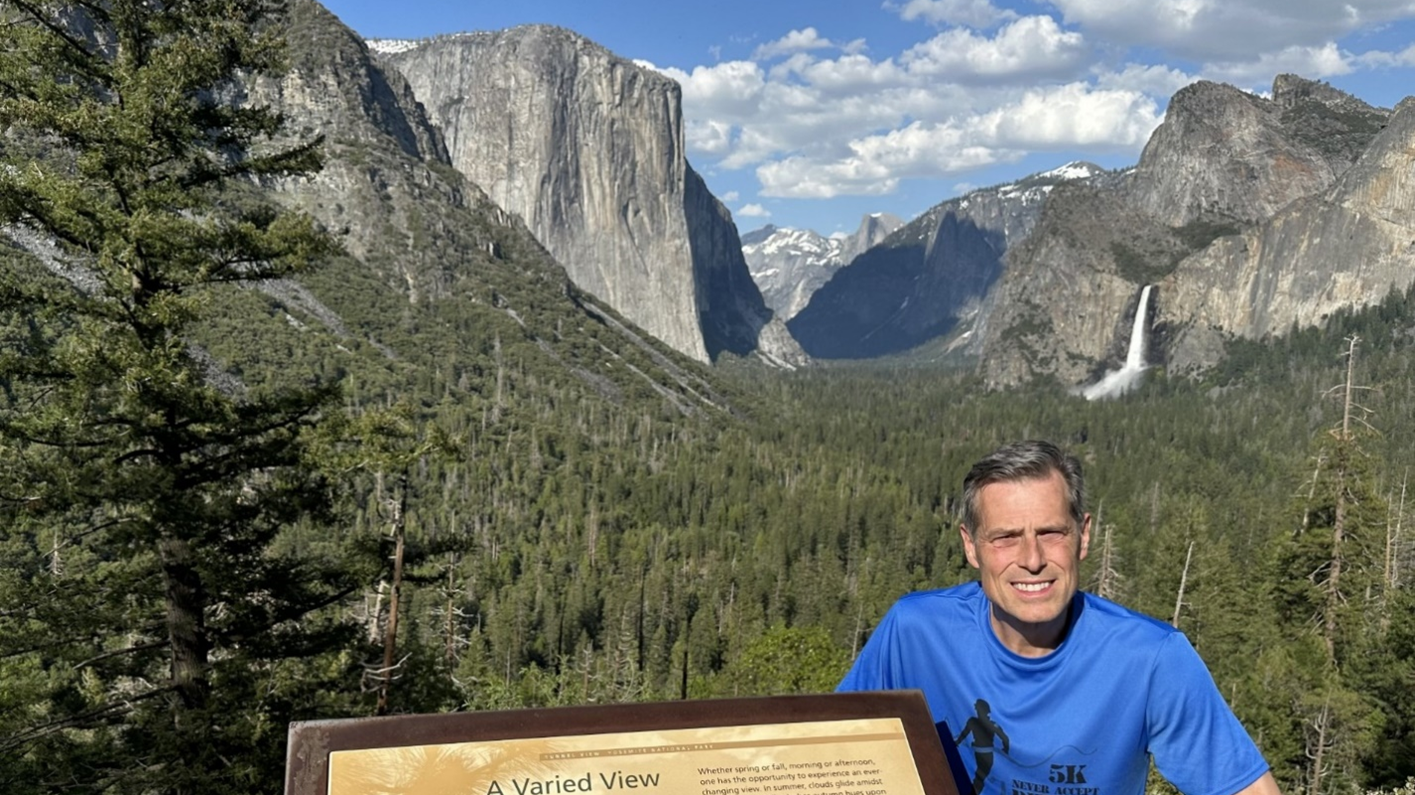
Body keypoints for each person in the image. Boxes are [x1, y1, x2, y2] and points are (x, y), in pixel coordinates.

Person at [837, 440, 1280, 795]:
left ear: (1083, 536)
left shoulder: (1149, 660)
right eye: (1006, 538)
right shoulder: (916, 632)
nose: (1032, 559)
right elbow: (830, 750)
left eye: (1050, 533)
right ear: (970, 546)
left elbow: (1244, 786)